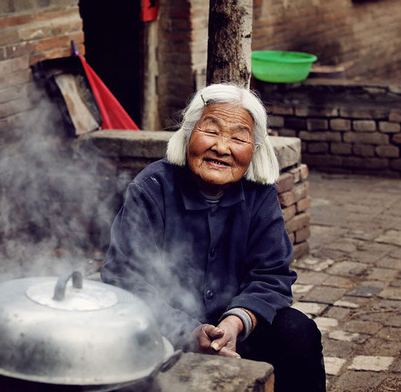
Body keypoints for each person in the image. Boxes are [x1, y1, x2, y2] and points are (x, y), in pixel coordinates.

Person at [100, 83, 325, 392]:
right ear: (189, 134)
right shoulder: (152, 187)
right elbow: (126, 278)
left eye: (238, 137)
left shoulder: (259, 193)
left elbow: (272, 273)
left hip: (235, 329)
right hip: (163, 329)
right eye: (211, 131)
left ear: (254, 148)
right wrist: (186, 330)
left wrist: (236, 322)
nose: (222, 147)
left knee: (298, 332)